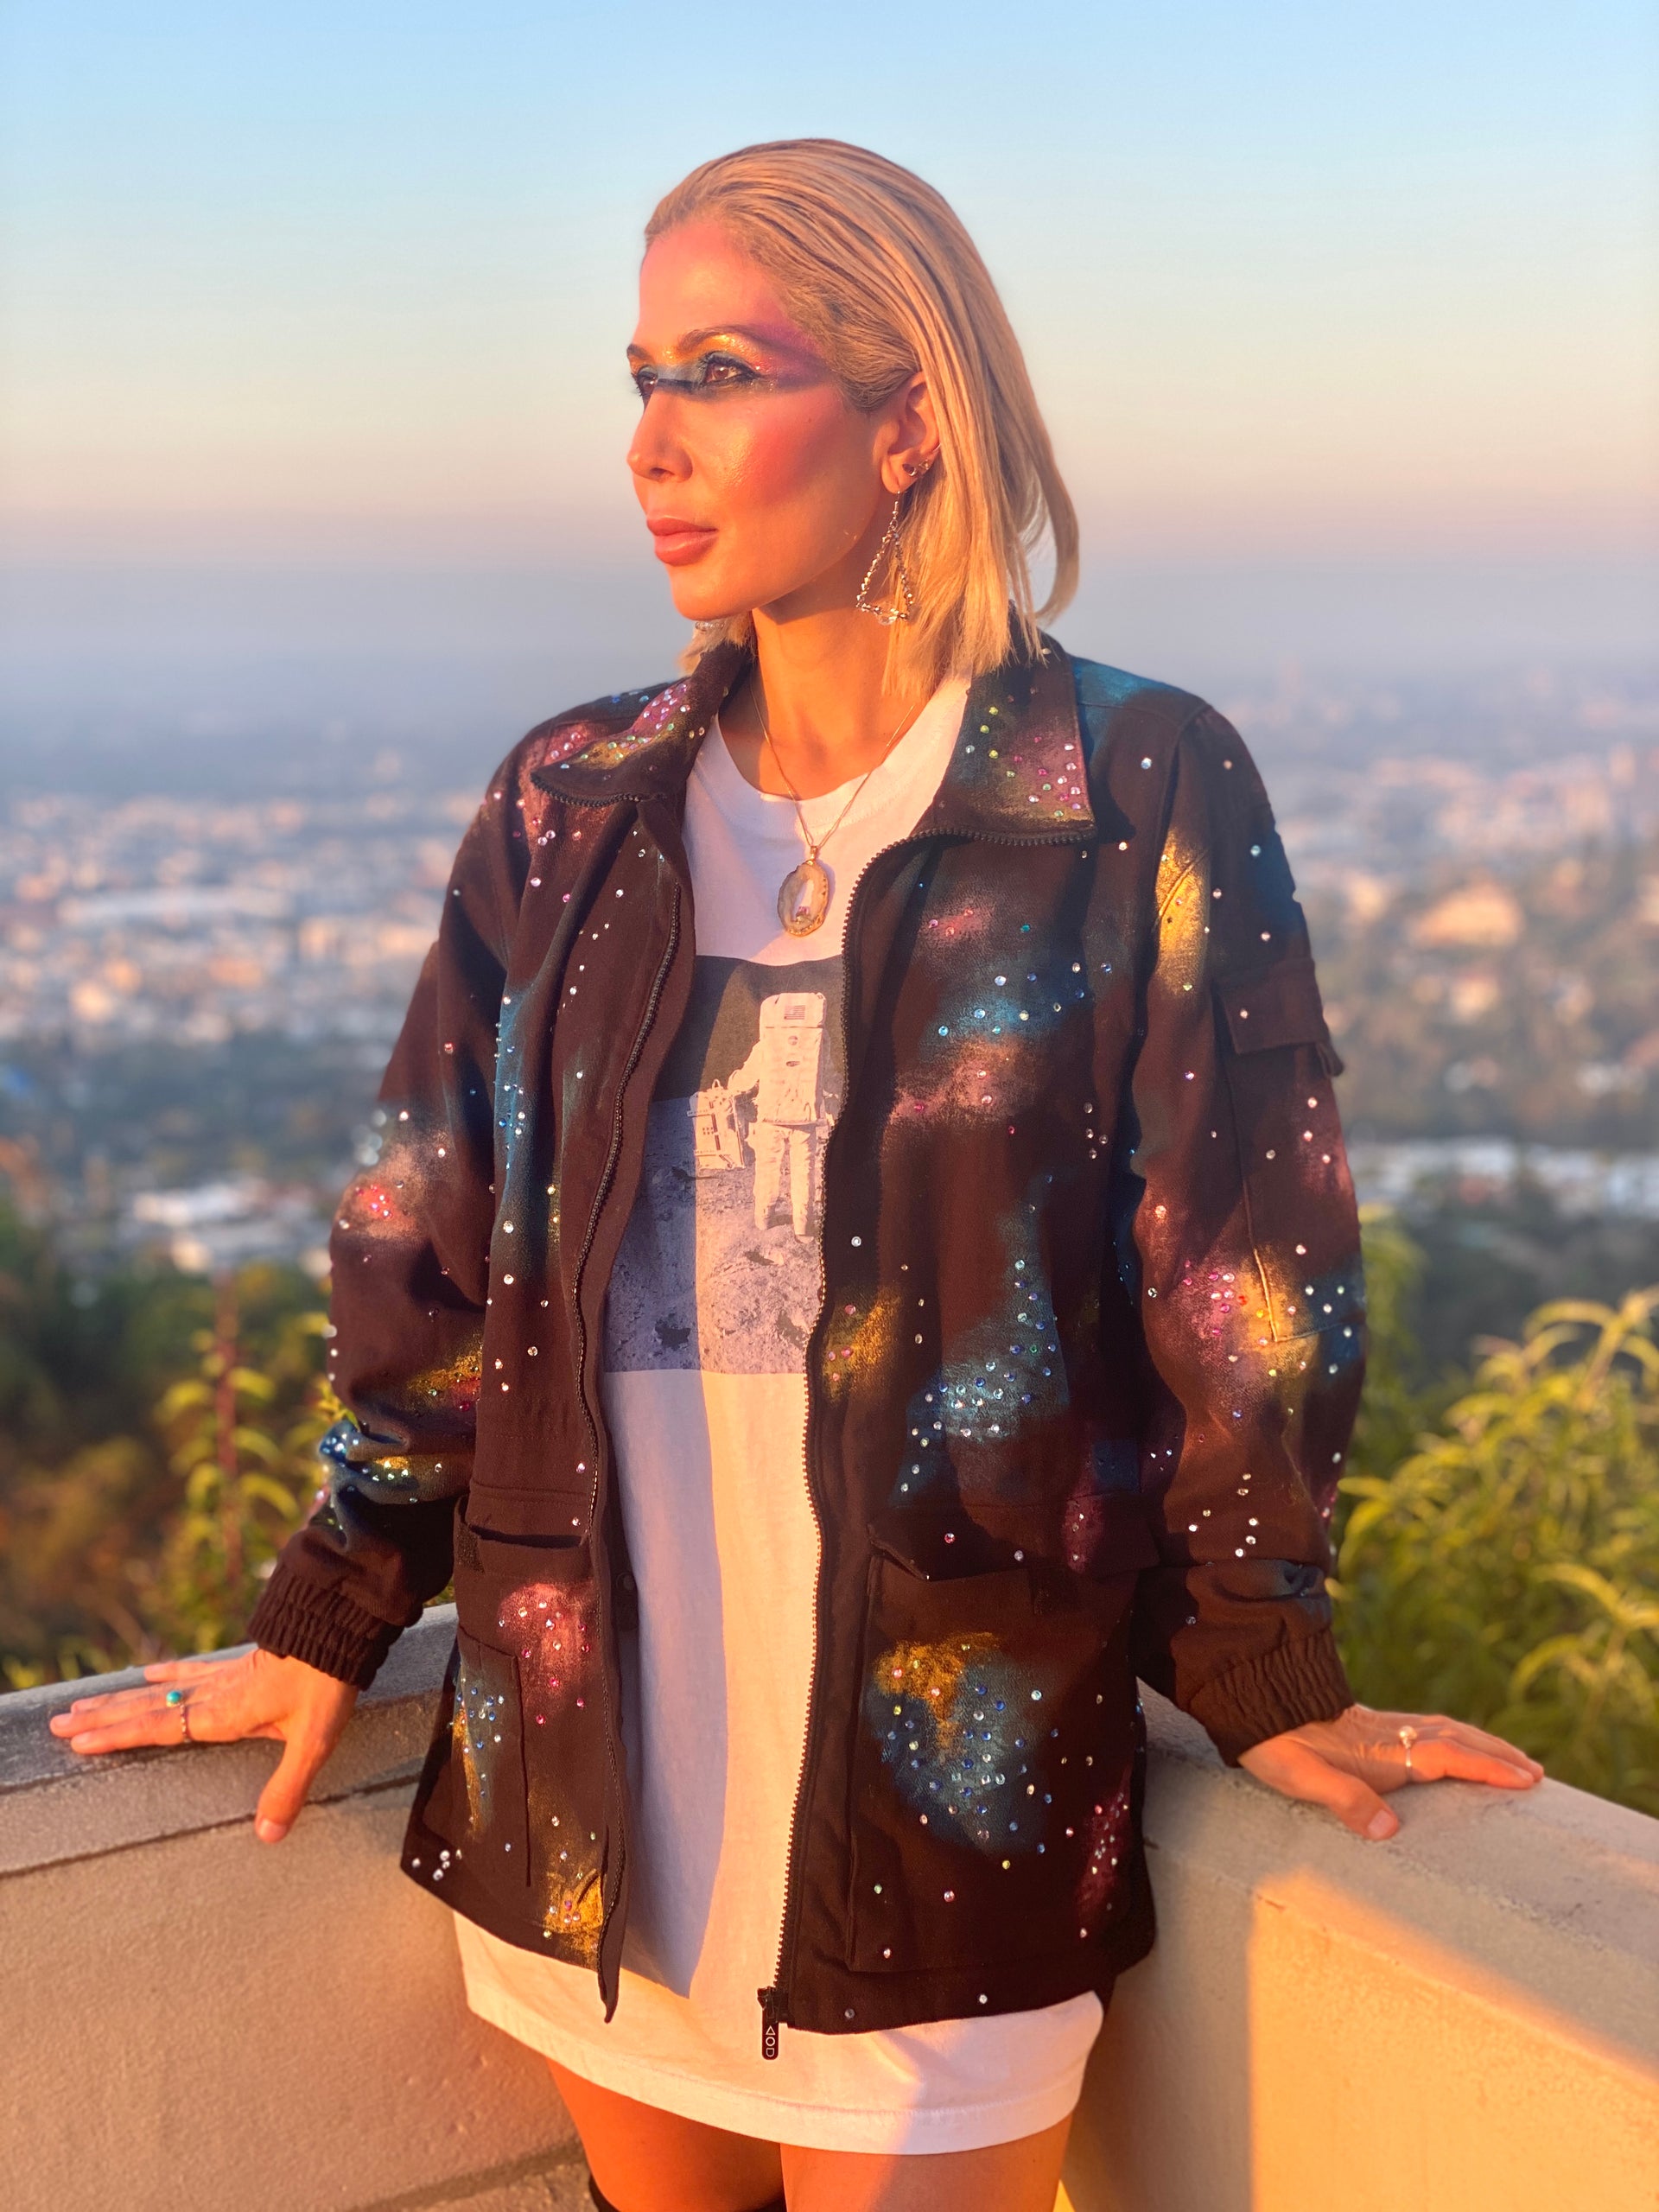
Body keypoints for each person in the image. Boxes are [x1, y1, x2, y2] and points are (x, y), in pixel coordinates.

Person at [51, 140, 1543, 2212]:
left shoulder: (1129, 785)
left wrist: (1262, 1655)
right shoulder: (571, 801)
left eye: (722, 375)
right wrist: (332, 1605)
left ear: (912, 416)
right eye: (641, 380)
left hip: (953, 1794)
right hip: (585, 1795)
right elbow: (429, 1232)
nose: (656, 447)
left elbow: (1244, 1272)